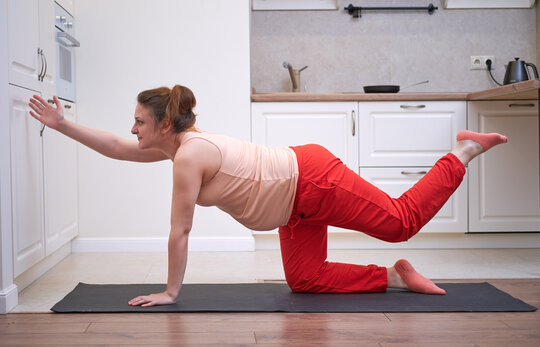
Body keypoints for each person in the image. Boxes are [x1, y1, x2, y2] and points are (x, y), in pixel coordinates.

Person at [28, 85, 508, 307]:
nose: (132, 129)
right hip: (295, 205)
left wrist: (172, 293)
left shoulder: (189, 156)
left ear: (165, 125)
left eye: (139, 121)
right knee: (306, 280)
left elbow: (180, 229)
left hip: (313, 180)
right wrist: (64, 123)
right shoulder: (177, 147)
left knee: (401, 223)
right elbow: (116, 148)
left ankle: (462, 150)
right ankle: (395, 279)